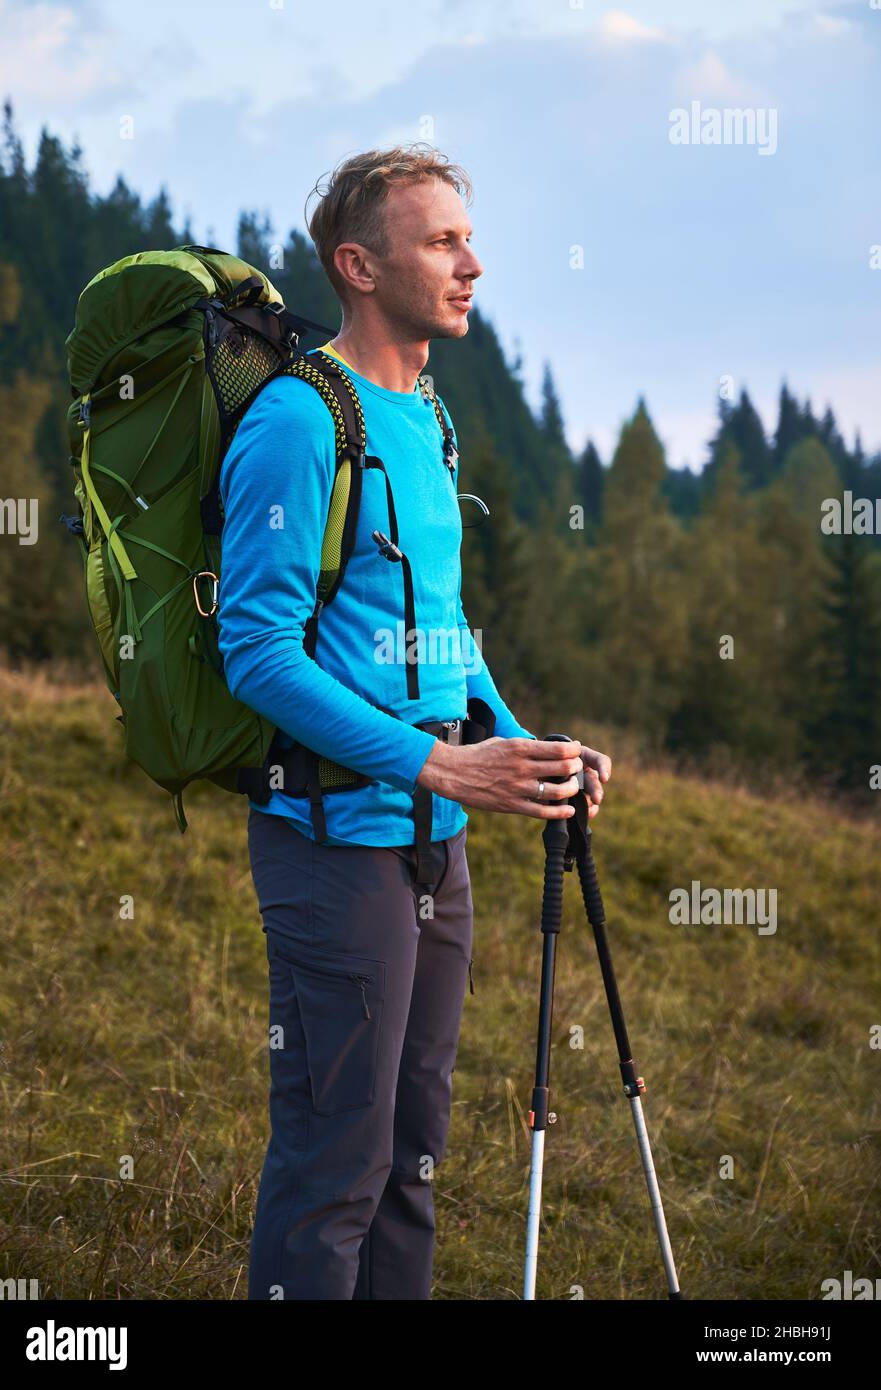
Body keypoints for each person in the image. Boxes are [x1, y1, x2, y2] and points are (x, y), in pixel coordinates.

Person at [216, 143, 612, 1300]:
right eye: (440, 241)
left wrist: (520, 742)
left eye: (466, 237)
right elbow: (256, 653)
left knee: (412, 1156)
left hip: (432, 842)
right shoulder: (298, 422)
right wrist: (442, 765)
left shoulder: (427, 416)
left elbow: (436, 621)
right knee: (336, 1157)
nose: (471, 263)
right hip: (330, 840)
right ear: (357, 264)